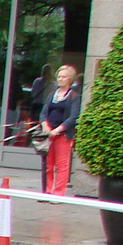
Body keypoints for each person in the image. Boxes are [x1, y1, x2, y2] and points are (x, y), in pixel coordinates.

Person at [40, 63, 81, 196]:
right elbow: (44, 112)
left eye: (64, 77)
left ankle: (59, 193)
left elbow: (74, 116)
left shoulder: (74, 96)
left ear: (70, 79)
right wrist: (45, 125)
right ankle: (47, 191)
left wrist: (58, 129)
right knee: (48, 164)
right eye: (59, 76)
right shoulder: (52, 94)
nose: (60, 79)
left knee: (62, 164)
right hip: (49, 133)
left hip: (63, 134)